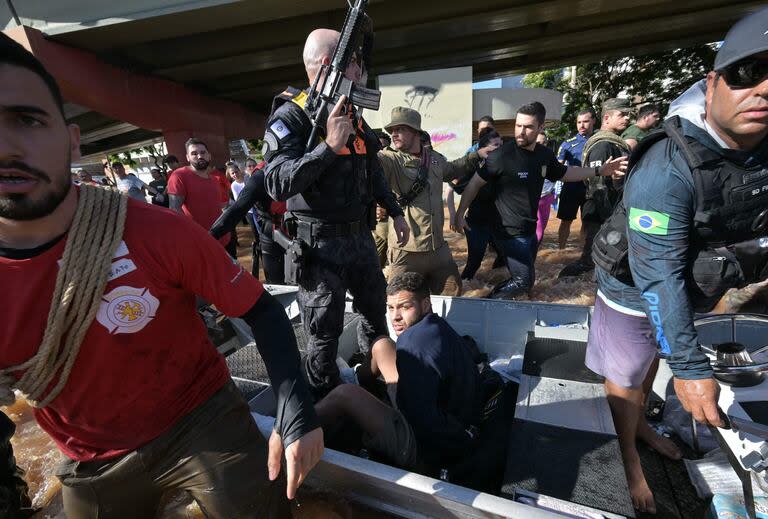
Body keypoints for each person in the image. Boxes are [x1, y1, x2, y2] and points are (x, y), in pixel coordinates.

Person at [0, 32, 323, 518]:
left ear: (70, 140)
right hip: (90, 459)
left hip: (201, 418)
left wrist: (295, 413)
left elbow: (262, 310)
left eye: (26, 119)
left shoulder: (155, 232)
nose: (5, 146)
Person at [586, 9, 768, 512]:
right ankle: (627, 454)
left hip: (699, 288)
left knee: (646, 370)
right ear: (712, 86)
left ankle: (642, 423)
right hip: (633, 290)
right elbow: (656, 276)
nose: (764, 89)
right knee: (626, 376)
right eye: (749, 72)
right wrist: (687, 368)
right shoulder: (666, 167)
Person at [263, 28, 410, 399]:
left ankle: (372, 386)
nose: (360, 69)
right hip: (319, 249)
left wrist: (395, 212)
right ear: (332, 63)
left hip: (359, 240)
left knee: (375, 319)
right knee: (323, 338)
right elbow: (277, 184)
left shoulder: (351, 114)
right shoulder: (292, 116)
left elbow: (371, 169)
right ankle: (326, 410)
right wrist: (328, 147)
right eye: (355, 62)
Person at [453, 102, 627, 298]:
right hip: (507, 230)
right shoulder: (502, 155)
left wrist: (599, 171)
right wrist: (460, 214)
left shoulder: (544, 155)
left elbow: (566, 173)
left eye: (528, 127)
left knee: (525, 279)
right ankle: (486, 303)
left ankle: (496, 301)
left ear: (540, 128)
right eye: (518, 125)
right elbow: (474, 184)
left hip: (529, 228)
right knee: (524, 281)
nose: (521, 132)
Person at [315, 272, 480, 471]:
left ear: (425, 304)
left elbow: (421, 420)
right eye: (391, 308)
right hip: (444, 412)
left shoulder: (412, 345)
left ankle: (293, 431)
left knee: (344, 395)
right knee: (381, 344)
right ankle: (355, 377)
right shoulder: (436, 325)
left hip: (425, 446)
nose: (395, 317)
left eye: (405, 307)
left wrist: (384, 408)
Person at [378, 107, 495, 296]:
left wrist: (477, 155)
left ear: (416, 132)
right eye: (392, 130)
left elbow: (453, 169)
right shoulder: (389, 159)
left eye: (401, 129)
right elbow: (371, 169)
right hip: (406, 252)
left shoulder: (433, 159)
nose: (394, 134)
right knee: (399, 301)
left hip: (438, 250)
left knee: (453, 292)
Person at [559, 98, 631, 278]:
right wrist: (612, 218)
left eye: (628, 115)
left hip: (608, 210)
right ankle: (566, 282)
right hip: (600, 210)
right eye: (622, 115)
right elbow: (597, 188)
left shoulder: (614, 142)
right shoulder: (602, 145)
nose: (627, 119)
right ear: (607, 117)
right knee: (592, 259)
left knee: (602, 258)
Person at [211, 161, 288, 284]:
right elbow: (238, 208)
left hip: (298, 232)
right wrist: (210, 236)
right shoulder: (261, 175)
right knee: (276, 282)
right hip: (273, 230)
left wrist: (210, 236)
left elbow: (237, 209)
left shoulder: (311, 164)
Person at [446, 128, 504, 280]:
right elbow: (450, 190)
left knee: (505, 256)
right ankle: (463, 290)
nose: (501, 149)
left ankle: (492, 282)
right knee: (475, 262)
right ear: (485, 149)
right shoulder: (473, 170)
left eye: (501, 145)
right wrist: (455, 215)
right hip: (476, 223)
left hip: (498, 222)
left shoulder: (505, 167)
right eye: (496, 145)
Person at [167, 138, 236, 257]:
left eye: (203, 153)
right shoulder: (179, 176)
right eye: (194, 153)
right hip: (202, 243)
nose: (199, 156)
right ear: (187, 157)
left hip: (225, 238)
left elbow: (218, 206)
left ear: (209, 156)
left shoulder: (214, 180)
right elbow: (175, 211)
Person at [556, 108, 595, 249]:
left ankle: (582, 252)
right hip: (571, 187)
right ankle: (561, 250)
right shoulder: (567, 144)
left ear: (593, 121)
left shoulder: (600, 141)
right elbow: (557, 168)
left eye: (585, 121)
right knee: (565, 221)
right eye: (579, 122)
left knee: (587, 222)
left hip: (590, 189)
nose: (582, 125)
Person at [535, 131, 557, 246]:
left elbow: (559, 173)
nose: (541, 145)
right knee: (538, 232)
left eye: (544, 143)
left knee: (542, 231)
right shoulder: (528, 158)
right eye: (538, 142)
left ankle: (535, 259)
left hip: (547, 198)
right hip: (533, 199)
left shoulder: (550, 157)